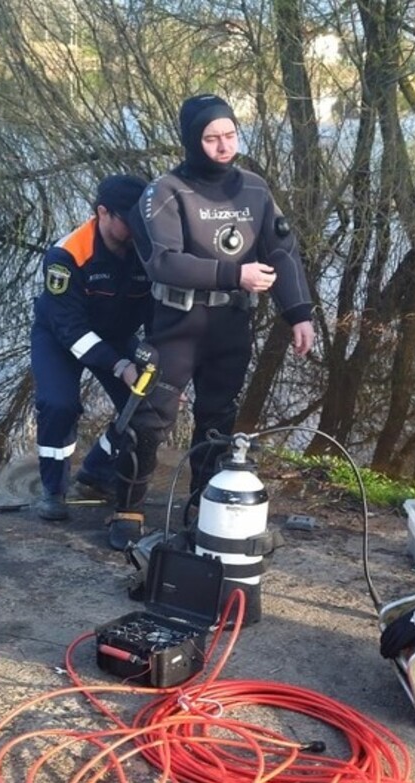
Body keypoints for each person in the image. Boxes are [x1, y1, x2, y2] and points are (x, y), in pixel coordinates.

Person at [107, 93, 316, 550]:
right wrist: (233, 273)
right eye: (211, 138)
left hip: (230, 324)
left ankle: (201, 505)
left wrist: (298, 313)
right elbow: (163, 262)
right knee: (150, 418)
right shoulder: (165, 191)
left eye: (230, 136)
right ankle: (127, 507)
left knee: (218, 420)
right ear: (191, 140)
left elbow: (281, 251)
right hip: (177, 324)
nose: (224, 147)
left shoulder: (255, 189)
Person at [29, 174, 153, 521]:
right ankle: (54, 490)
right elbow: (70, 329)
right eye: (131, 221)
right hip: (60, 335)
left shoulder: (149, 248)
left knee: (145, 405)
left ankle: (97, 473)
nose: (139, 229)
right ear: (103, 213)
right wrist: (119, 366)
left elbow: (159, 315)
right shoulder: (66, 255)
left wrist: (161, 367)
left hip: (116, 334)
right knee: (58, 404)